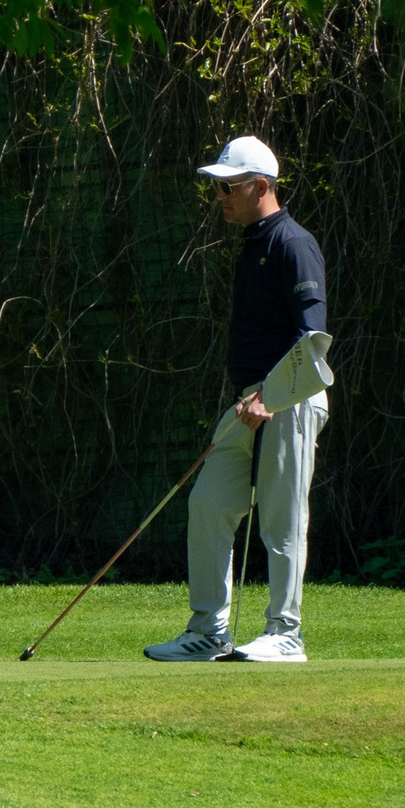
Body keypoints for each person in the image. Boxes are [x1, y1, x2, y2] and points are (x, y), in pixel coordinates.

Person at [145, 137, 329, 664]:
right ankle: (209, 631)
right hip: (248, 404)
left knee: (281, 519)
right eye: (218, 187)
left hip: (288, 400)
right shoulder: (254, 243)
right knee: (208, 503)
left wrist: (271, 397)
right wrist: (256, 398)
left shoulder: (293, 244)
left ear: (261, 186)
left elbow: (312, 337)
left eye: (229, 188)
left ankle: (286, 633)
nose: (219, 197)